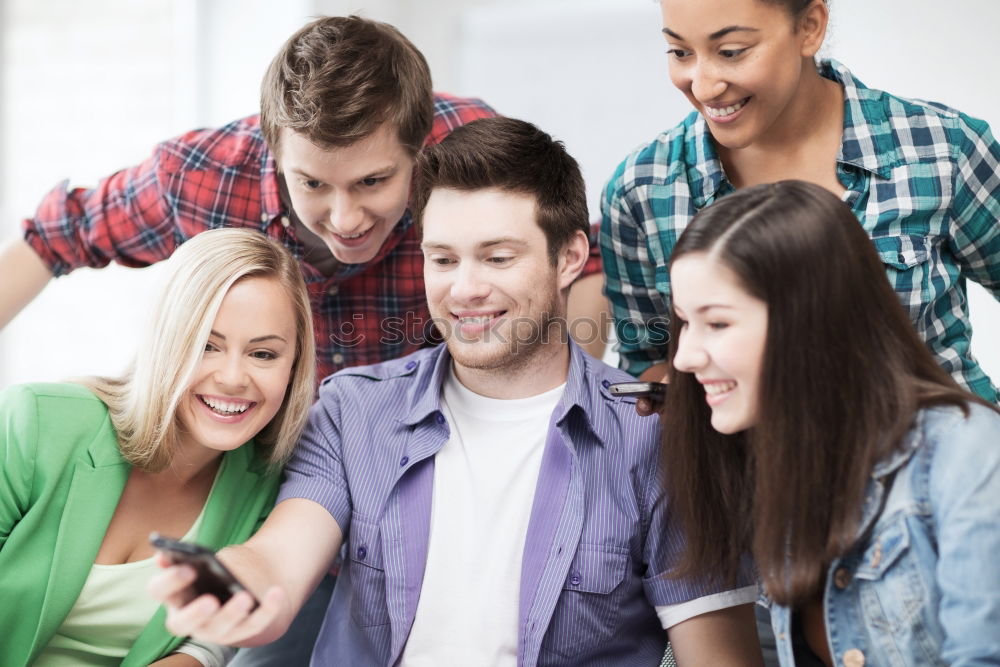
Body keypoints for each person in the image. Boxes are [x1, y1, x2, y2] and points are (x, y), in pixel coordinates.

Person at [149, 117, 764, 666]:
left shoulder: (654, 434)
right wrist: (234, 581)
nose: (463, 290)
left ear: (570, 256)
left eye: (497, 258)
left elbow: (717, 652)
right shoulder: (351, 410)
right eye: (443, 259)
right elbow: (280, 558)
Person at [0, 14, 606, 380]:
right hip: (266, 465)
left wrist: (552, 398)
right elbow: (56, 235)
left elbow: (580, 259)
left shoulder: (468, 148)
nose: (344, 220)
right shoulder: (200, 176)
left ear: (421, 148)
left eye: (373, 182)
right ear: (272, 147)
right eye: (312, 183)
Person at [662, 180, 1000, 666]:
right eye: (683, 322)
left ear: (810, 322)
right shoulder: (770, 470)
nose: (686, 357)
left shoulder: (964, 453)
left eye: (716, 323)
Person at [601, 0, 1000, 405]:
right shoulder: (642, 190)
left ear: (810, 26)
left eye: (731, 52)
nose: (703, 87)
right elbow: (646, 363)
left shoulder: (939, 150)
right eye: (681, 52)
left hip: (947, 457)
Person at [0, 228, 316, 666]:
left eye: (263, 354)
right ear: (167, 341)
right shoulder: (35, 423)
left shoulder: (267, 487)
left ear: (294, 365)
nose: (232, 378)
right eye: (207, 345)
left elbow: (205, 645)